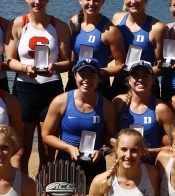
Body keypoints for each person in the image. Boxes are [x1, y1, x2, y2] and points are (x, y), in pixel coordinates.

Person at [6, 0, 72, 174]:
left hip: (50, 89)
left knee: (47, 149)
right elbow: (9, 60)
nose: (37, 2)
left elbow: (68, 62)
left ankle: (44, 192)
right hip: (24, 89)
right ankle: (24, 189)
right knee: (21, 151)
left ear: (48, 0)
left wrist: (56, 67)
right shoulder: (18, 24)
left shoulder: (59, 26)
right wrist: (25, 68)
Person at [42, 57, 118, 187]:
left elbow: (112, 140)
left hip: (95, 163)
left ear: (98, 78)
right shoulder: (60, 101)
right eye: (82, 75)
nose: (87, 80)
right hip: (66, 161)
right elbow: (46, 136)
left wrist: (102, 151)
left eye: (92, 75)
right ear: (75, 76)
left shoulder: (107, 106)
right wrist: (68, 148)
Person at [108, 0, 166, 97]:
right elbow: (110, 52)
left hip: (145, 87)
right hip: (120, 84)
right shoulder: (117, 19)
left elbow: (162, 67)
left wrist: (140, 76)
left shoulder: (157, 28)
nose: (133, 1)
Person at [67, 0, 125, 96]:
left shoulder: (110, 31)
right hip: (74, 82)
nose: (91, 3)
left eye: (96, 0)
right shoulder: (74, 21)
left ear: (102, 2)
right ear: (80, 0)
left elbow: (121, 67)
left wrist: (98, 72)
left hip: (98, 87)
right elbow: (74, 53)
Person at [112, 60, 172, 161]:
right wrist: (115, 142)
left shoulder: (161, 108)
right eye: (135, 76)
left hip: (150, 169)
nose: (140, 79)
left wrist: (152, 151)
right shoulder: (119, 102)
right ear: (129, 80)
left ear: (152, 80)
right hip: (124, 166)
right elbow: (106, 133)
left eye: (145, 76)